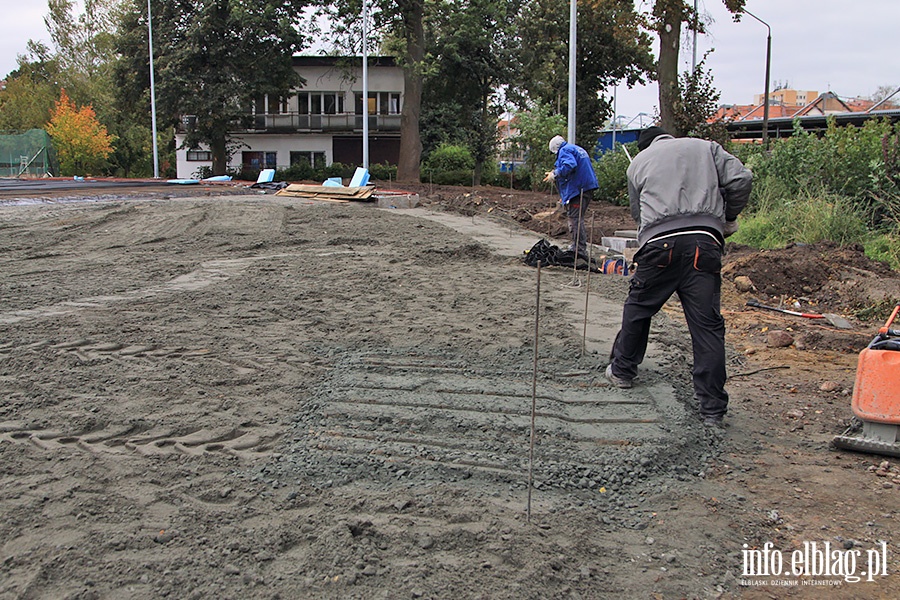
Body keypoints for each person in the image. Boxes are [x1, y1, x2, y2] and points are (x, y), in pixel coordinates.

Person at [606, 126, 752, 428]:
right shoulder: (706, 148)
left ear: (644, 146)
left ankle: (622, 371)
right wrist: (728, 217)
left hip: (659, 246)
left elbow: (639, 215)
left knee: (638, 308)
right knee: (707, 326)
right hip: (704, 243)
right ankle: (712, 410)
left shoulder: (639, 163)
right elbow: (741, 179)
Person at [543, 135, 598, 257]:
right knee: (577, 217)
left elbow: (569, 165)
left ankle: (579, 250)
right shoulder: (574, 148)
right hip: (585, 186)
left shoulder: (565, 150)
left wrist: (555, 174)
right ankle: (578, 247)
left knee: (575, 219)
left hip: (580, 189)